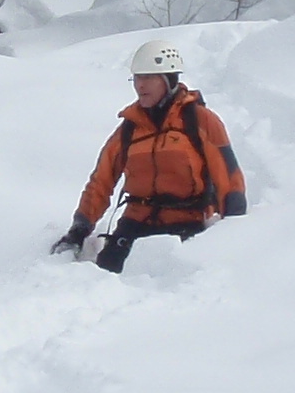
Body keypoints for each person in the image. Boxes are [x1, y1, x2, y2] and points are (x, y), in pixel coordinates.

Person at [51, 40, 247, 271]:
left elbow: (228, 178)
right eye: (136, 78)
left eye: (148, 77)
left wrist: (235, 229)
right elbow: (101, 181)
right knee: (104, 278)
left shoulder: (200, 120)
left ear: (169, 79)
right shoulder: (130, 128)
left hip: (187, 222)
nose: (140, 85)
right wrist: (79, 229)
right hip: (137, 222)